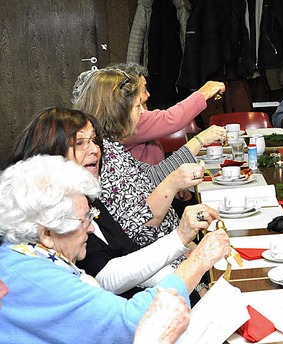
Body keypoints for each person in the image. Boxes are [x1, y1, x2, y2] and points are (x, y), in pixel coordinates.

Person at [0, 155, 231, 343]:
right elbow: (136, 322)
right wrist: (200, 260)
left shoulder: (21, 255)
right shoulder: (36, 279)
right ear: (47, 233)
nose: (90, 228)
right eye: (83, 220)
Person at [10, 107, 215, 298]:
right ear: (51, 154)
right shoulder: (55, 213)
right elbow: (106, 279)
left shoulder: (88, 197)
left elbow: (130, 253)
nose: (95, 150)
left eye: (94, 140)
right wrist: (180, 241)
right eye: (80, 143)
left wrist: (191, 284)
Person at [73, 69, 225, 247]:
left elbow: (148, 178)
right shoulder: (102, 155)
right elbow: (139, 229)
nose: (143, 113)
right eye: (138, 106)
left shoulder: (112, 147)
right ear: (118, 111)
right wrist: (174, 182)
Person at [72, 63, 226, 165]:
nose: (148, 95)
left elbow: (154, 175)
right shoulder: (126, 123)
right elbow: (170, 118)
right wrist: (199, 140)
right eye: (143, 90)